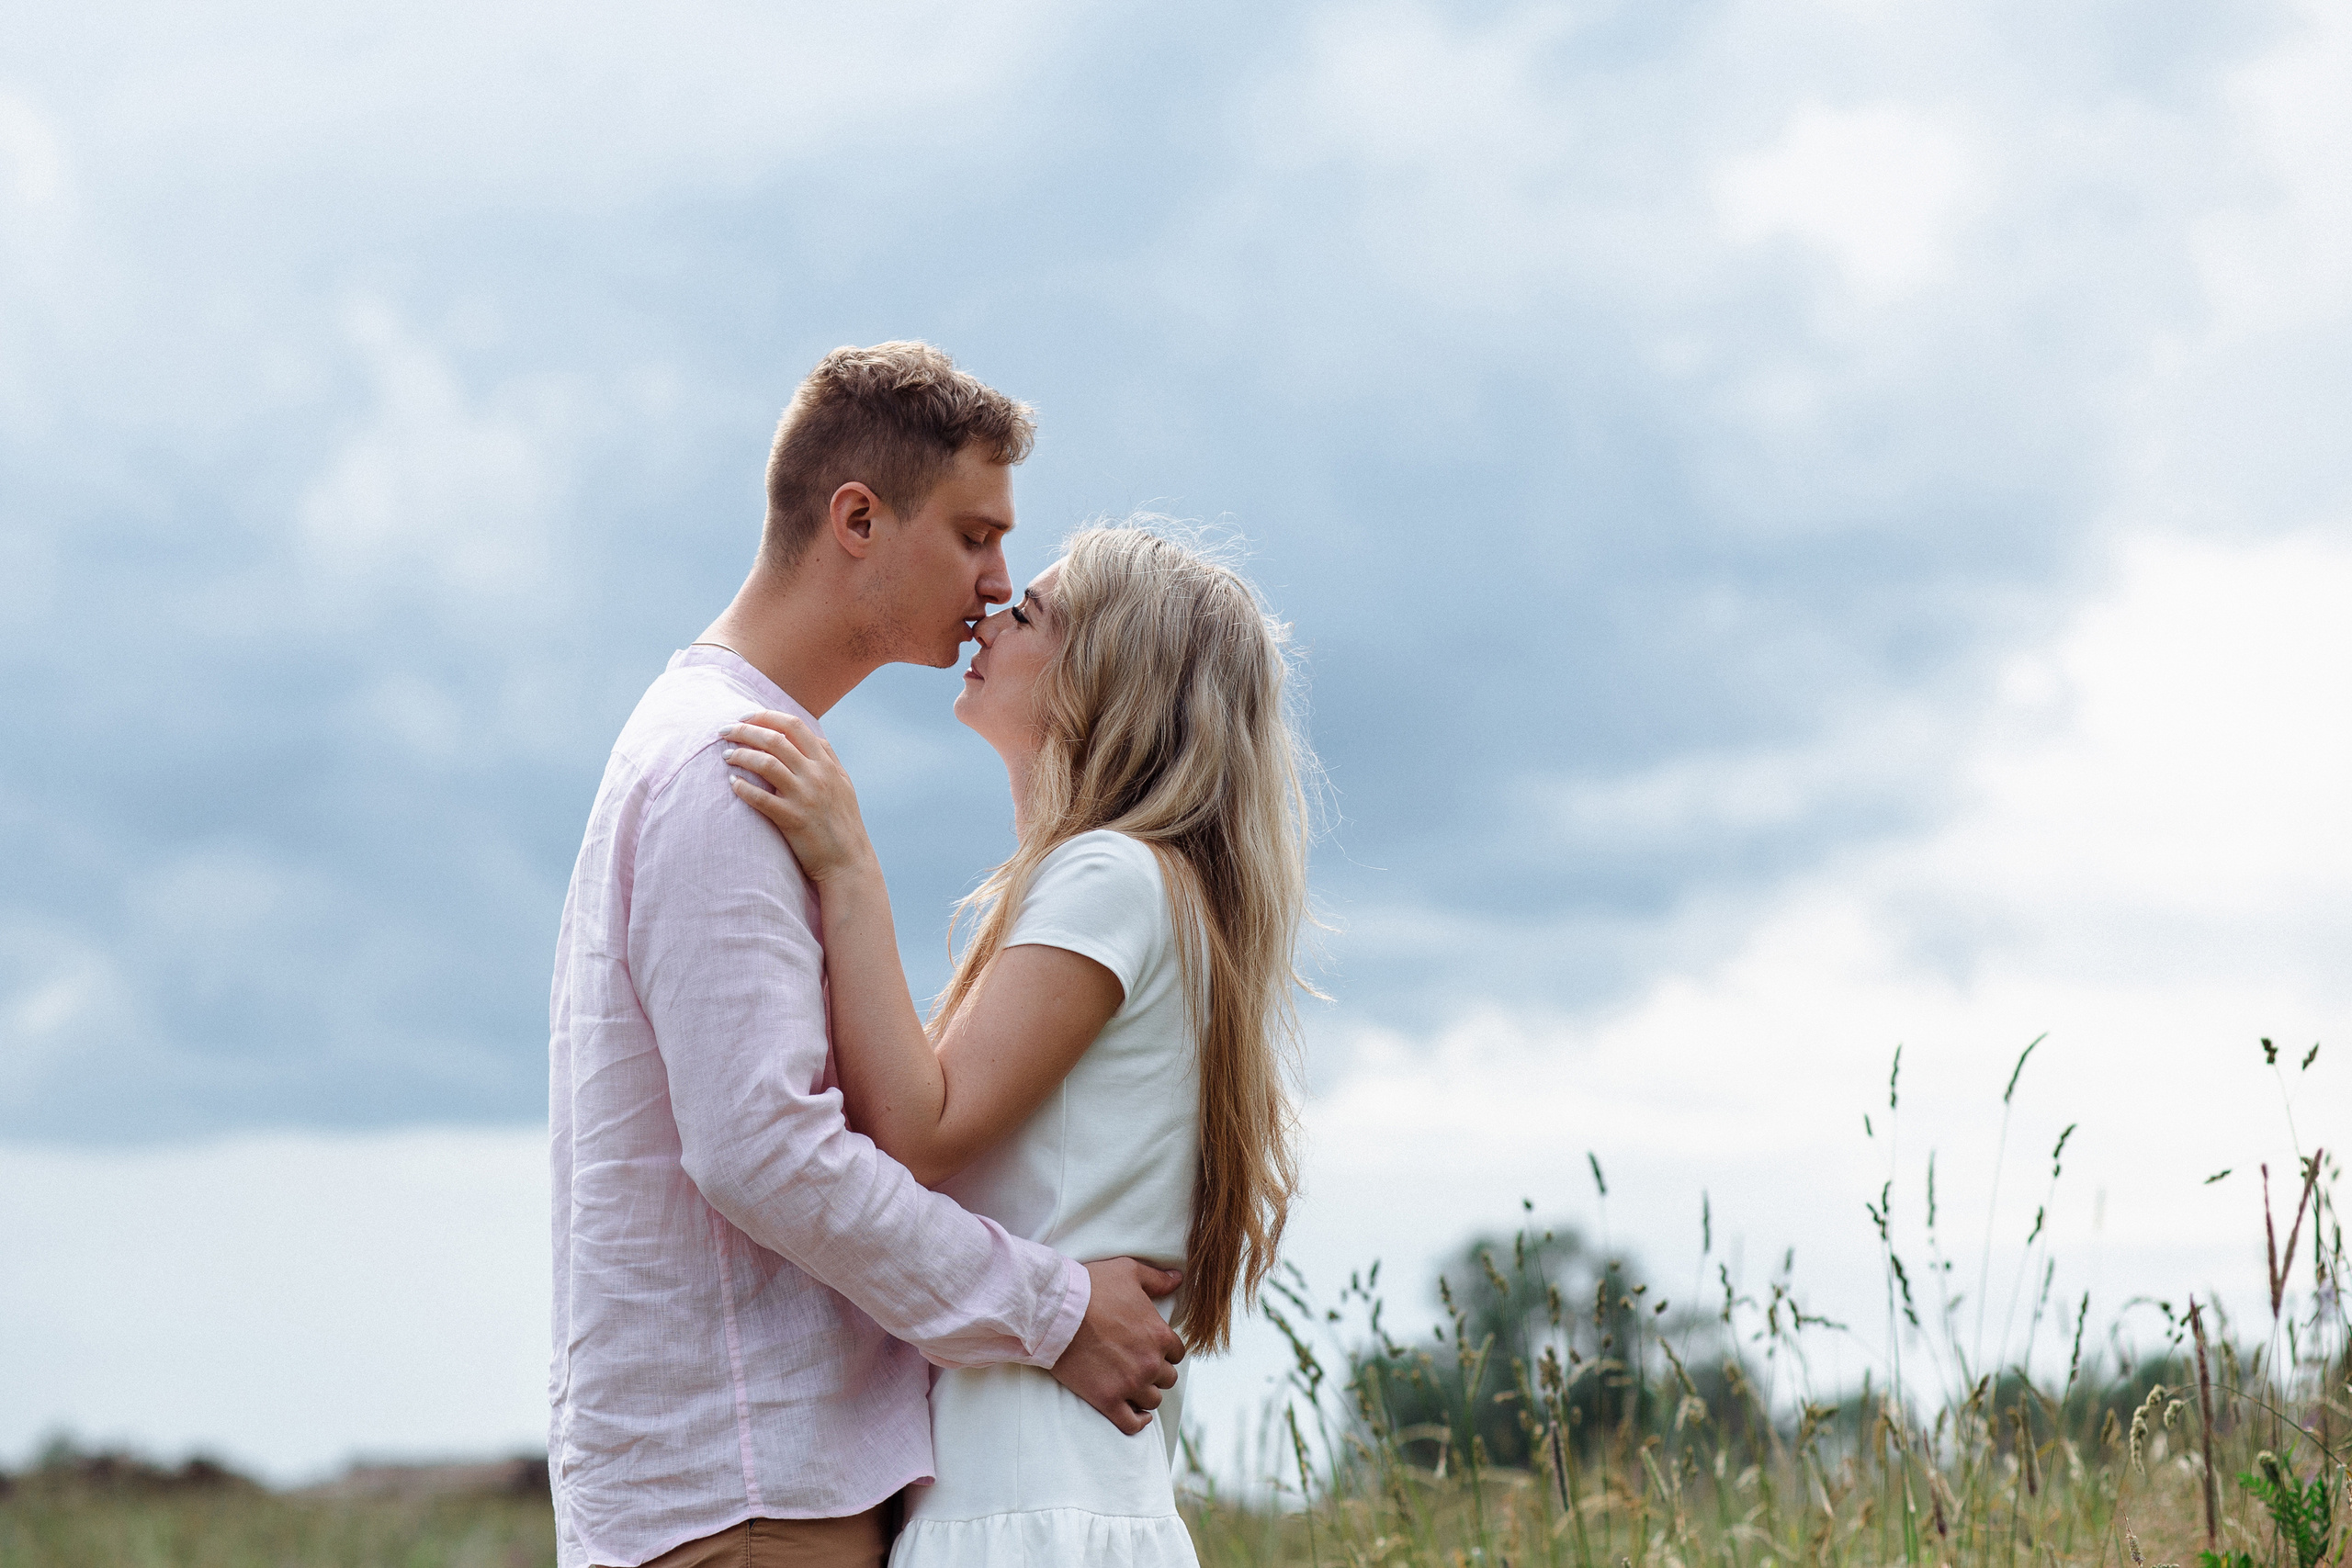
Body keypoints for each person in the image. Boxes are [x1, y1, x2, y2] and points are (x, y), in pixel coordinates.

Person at [548, 343, 1190, 1568]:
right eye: (973, 535)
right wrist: (1057, 1309)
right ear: (857, 520)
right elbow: (764, 1150)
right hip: (751, 1498)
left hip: (747, 1488)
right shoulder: (731, 768)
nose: (997, 583)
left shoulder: (739, 753)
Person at [715, 523, 1314, 1565]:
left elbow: (920, 1130)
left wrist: (848, 867)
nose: (990, 620)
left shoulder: (1109, 875)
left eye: (1028, 613)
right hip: (1056, 1486)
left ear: (1100, 677)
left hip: (1023, 1495)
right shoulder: (1149, 886)